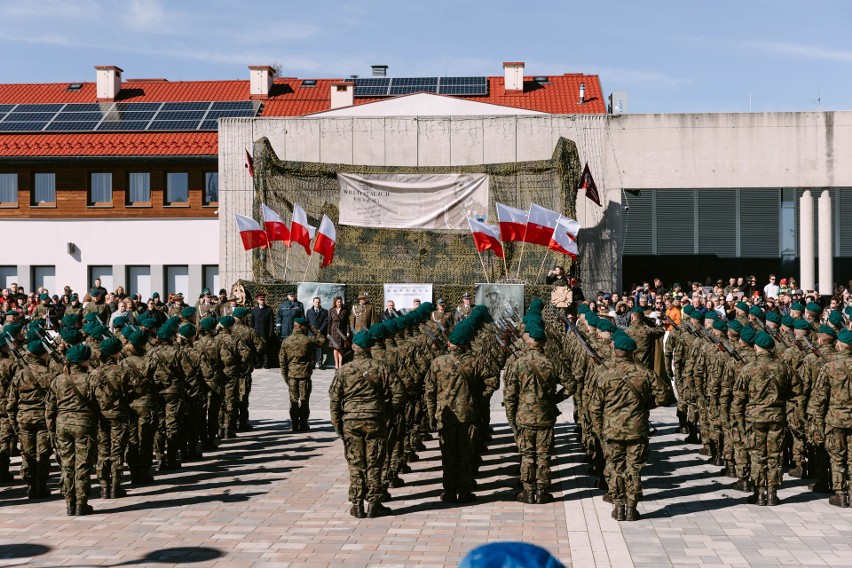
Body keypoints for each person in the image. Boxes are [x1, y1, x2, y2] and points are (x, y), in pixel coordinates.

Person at [590, 332, 668, 521]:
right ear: (633, 353)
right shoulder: (645, 373)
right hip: (637, 429)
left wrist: (600, 430)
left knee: (616, 468)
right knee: (634, 469)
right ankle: (632, 509)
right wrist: (646, 405)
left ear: (616, 352)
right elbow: (664, 395)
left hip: (612, 430)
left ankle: (618, 507)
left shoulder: (605, 374)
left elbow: (594, 407)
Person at [329, 330, 402, 518]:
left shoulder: (344, 369)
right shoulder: (381, 367)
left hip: (351, 421)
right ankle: (374, 504)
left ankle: (357, 504)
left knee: (355, 464)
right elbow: (399, 393)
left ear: (353, 348)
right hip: (375, 420)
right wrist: (386, 412)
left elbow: (335, 400)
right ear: (369, 348)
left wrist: (337, 424)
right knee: (375, 463)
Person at [503, 321, 575, 504]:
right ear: (543, 342)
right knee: (543, 455)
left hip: (524, 416)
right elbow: (571, 385)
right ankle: (542, 491)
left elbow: (510, 395)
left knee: (527, 455)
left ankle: (528, 492)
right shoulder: (553, 363)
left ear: (529, 342)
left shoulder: (518, 364)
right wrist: (554, 399)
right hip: (545, 415)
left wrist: (511, 419)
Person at [425, 320, 485, 504]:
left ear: (450, 343)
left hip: (446, 415)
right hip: (468, 414)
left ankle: (449, 491)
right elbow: (488, 384)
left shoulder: (438, 362)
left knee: (449, 455)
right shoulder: (475, 362)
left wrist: (431, 415)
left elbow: (429, 391)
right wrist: (478, 403)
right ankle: (465, 491)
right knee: (466, 454)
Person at [733, 331, 791, 506]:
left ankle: (759, 494)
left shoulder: (748, 368)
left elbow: (738, 398)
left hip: (755, 418)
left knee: (757, 456)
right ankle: (772, 494)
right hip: (776, 418)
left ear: (756, 347)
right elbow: (796, 390)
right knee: (774, 455)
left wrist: (739, 421)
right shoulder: (783, 368)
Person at [46, 344, 100, 516]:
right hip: (84, 424)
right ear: (84, 361)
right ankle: (81, 503)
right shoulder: (91, 378)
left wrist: (51, 430)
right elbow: (101, 403)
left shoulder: (58, 379)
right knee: (83, 465)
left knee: (67, 464)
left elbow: (50, 408)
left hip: (62, 424)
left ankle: (69, 502)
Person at [7, 339, 53, 499]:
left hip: (24, 418)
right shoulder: (49, 374)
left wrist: (13, 422)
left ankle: (30, 485)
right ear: (42, 355)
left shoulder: (20, 374)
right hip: (43, 418)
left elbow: (11, 401)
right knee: (43, 453)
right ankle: (41, 486)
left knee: (27, 453)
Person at [811, 329, 852, 507]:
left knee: (837, 457)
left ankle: (841, 494)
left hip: (835, 419)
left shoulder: (830, 366)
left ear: (839, 344)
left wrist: (817, 424)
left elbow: (820, 399)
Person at [279, 318, 325, 432]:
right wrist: (312, 328)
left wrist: (285, 376)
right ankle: (303, 423)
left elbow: (282, 361)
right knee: (304, 400)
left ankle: (294, 424)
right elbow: (322, 340)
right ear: (303, 327)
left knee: (293, 400)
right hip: (304, 374)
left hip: (291, 374)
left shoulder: (286, 341)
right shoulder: (307, 340)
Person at [250, 295, 275, 369]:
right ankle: (258, 362)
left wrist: (271, 332)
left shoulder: (269, 309)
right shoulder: (254, 310)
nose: (262, 301)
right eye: (260, 300)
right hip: (257, 332)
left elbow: (271, 323)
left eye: (263, 299)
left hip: (265, 332)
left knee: (266, 348)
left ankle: (266, 363)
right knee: (257, 348)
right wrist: (252, 332)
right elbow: (252, 322)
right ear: (257, 300)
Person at [306, 297, 329, 369]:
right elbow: (307, 322)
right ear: (313, 303)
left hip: (320, 332)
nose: (317, 303)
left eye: (318, 302)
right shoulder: (309, 311)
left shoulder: (324, 311)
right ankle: (312, 363)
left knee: (320, 348)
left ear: (320, 302)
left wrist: (320, 330)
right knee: (312, 348)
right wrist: (312, 330)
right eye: (316, 302)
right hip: (311, 333)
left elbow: (326, 321)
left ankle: (320, 363)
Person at [328, 296, 349, 370]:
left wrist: (347, 331)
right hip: (334, 331)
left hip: (342, 331)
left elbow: (347, 323)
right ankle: (336, 364)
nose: (339, 303)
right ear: (335, 303)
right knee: (335, 348)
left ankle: (340, 364)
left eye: (340, 302)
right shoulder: (331, 310)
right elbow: (329, 322)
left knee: (341, 348)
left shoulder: (345, 310)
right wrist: (328, 333)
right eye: (338, 302)